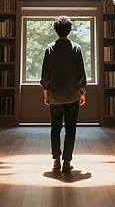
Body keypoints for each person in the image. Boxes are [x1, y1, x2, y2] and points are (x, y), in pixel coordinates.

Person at [40, 15, 87, 173]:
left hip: (55, 95)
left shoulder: (50, 48)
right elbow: (80, 73)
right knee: (71, 129)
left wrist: (46, 93)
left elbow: (45, 74)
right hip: (72, 95)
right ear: (69, 30)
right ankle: (67, 161)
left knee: (55, 127)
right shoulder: (76, 48)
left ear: (55, 30)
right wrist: (82, 92)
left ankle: (56, 161)